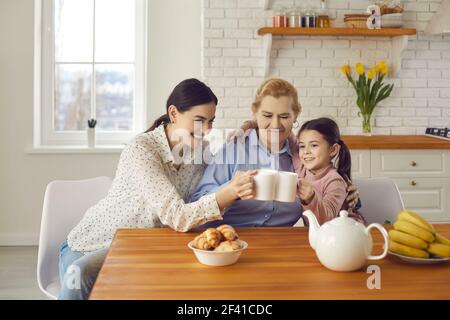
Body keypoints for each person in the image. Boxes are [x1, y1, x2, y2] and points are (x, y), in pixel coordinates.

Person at [58, 78, 255, 300]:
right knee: (81, 274)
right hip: (95, 245)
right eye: (199, 120)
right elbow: (178, 215)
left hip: (143, 246)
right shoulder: (142, 149)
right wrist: (227, 194)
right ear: (173, 114)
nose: (207, 129)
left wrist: (245, 132)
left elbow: (209, 190)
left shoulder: (199, 152)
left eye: (211, 121)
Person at [294, 117, 365, 226]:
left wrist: (311, 198)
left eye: (314, 145)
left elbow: (326, 222)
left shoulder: (335, 181)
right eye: (302, 146)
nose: (306, 152)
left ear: (333, 150)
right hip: (321, 236)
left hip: (347, 233)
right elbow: (283, 134)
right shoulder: (303, 168)